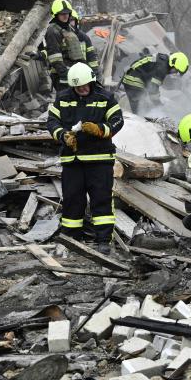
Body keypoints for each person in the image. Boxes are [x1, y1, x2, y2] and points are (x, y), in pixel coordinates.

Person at [46, 63, 124, 254]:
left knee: (101, 200)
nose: (81, 89)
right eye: (77, 87)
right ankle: (71, 239)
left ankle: (104, 240)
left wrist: (100, 129)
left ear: (91, 81)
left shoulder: (105, 98)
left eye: (84, 86)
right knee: (72, 200)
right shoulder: (63, 98)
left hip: (99, 160)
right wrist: (63, 135)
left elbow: (118, 121)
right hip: (72, 162)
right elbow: (51, 122)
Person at [121, 51, 189, 115]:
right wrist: (158, 105)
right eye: (176, 70)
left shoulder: (163, 60)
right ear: (173, 64)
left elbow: (157, 82)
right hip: (134, 80)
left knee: (145, 104)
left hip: (135, 76)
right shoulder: (162, 67)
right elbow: (153, 89)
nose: (175, 73)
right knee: (139, 109)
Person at [41, 0, 87, 92]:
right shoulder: (53, 30)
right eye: (62, 13)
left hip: (74, 73)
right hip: (62, 76)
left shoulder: (68, 28)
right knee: (67, 103)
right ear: (56, 14)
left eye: (67, 13)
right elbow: (55, 57)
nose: (65, 16)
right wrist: (65, 76)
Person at [70, 9, 100, 75]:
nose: (70, 23)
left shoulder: (83, 37)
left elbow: (91, 57)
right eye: (68, 20)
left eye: (72, 20)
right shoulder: (58, 36)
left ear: (76, 21)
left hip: (82, 73)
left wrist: (95, 74)